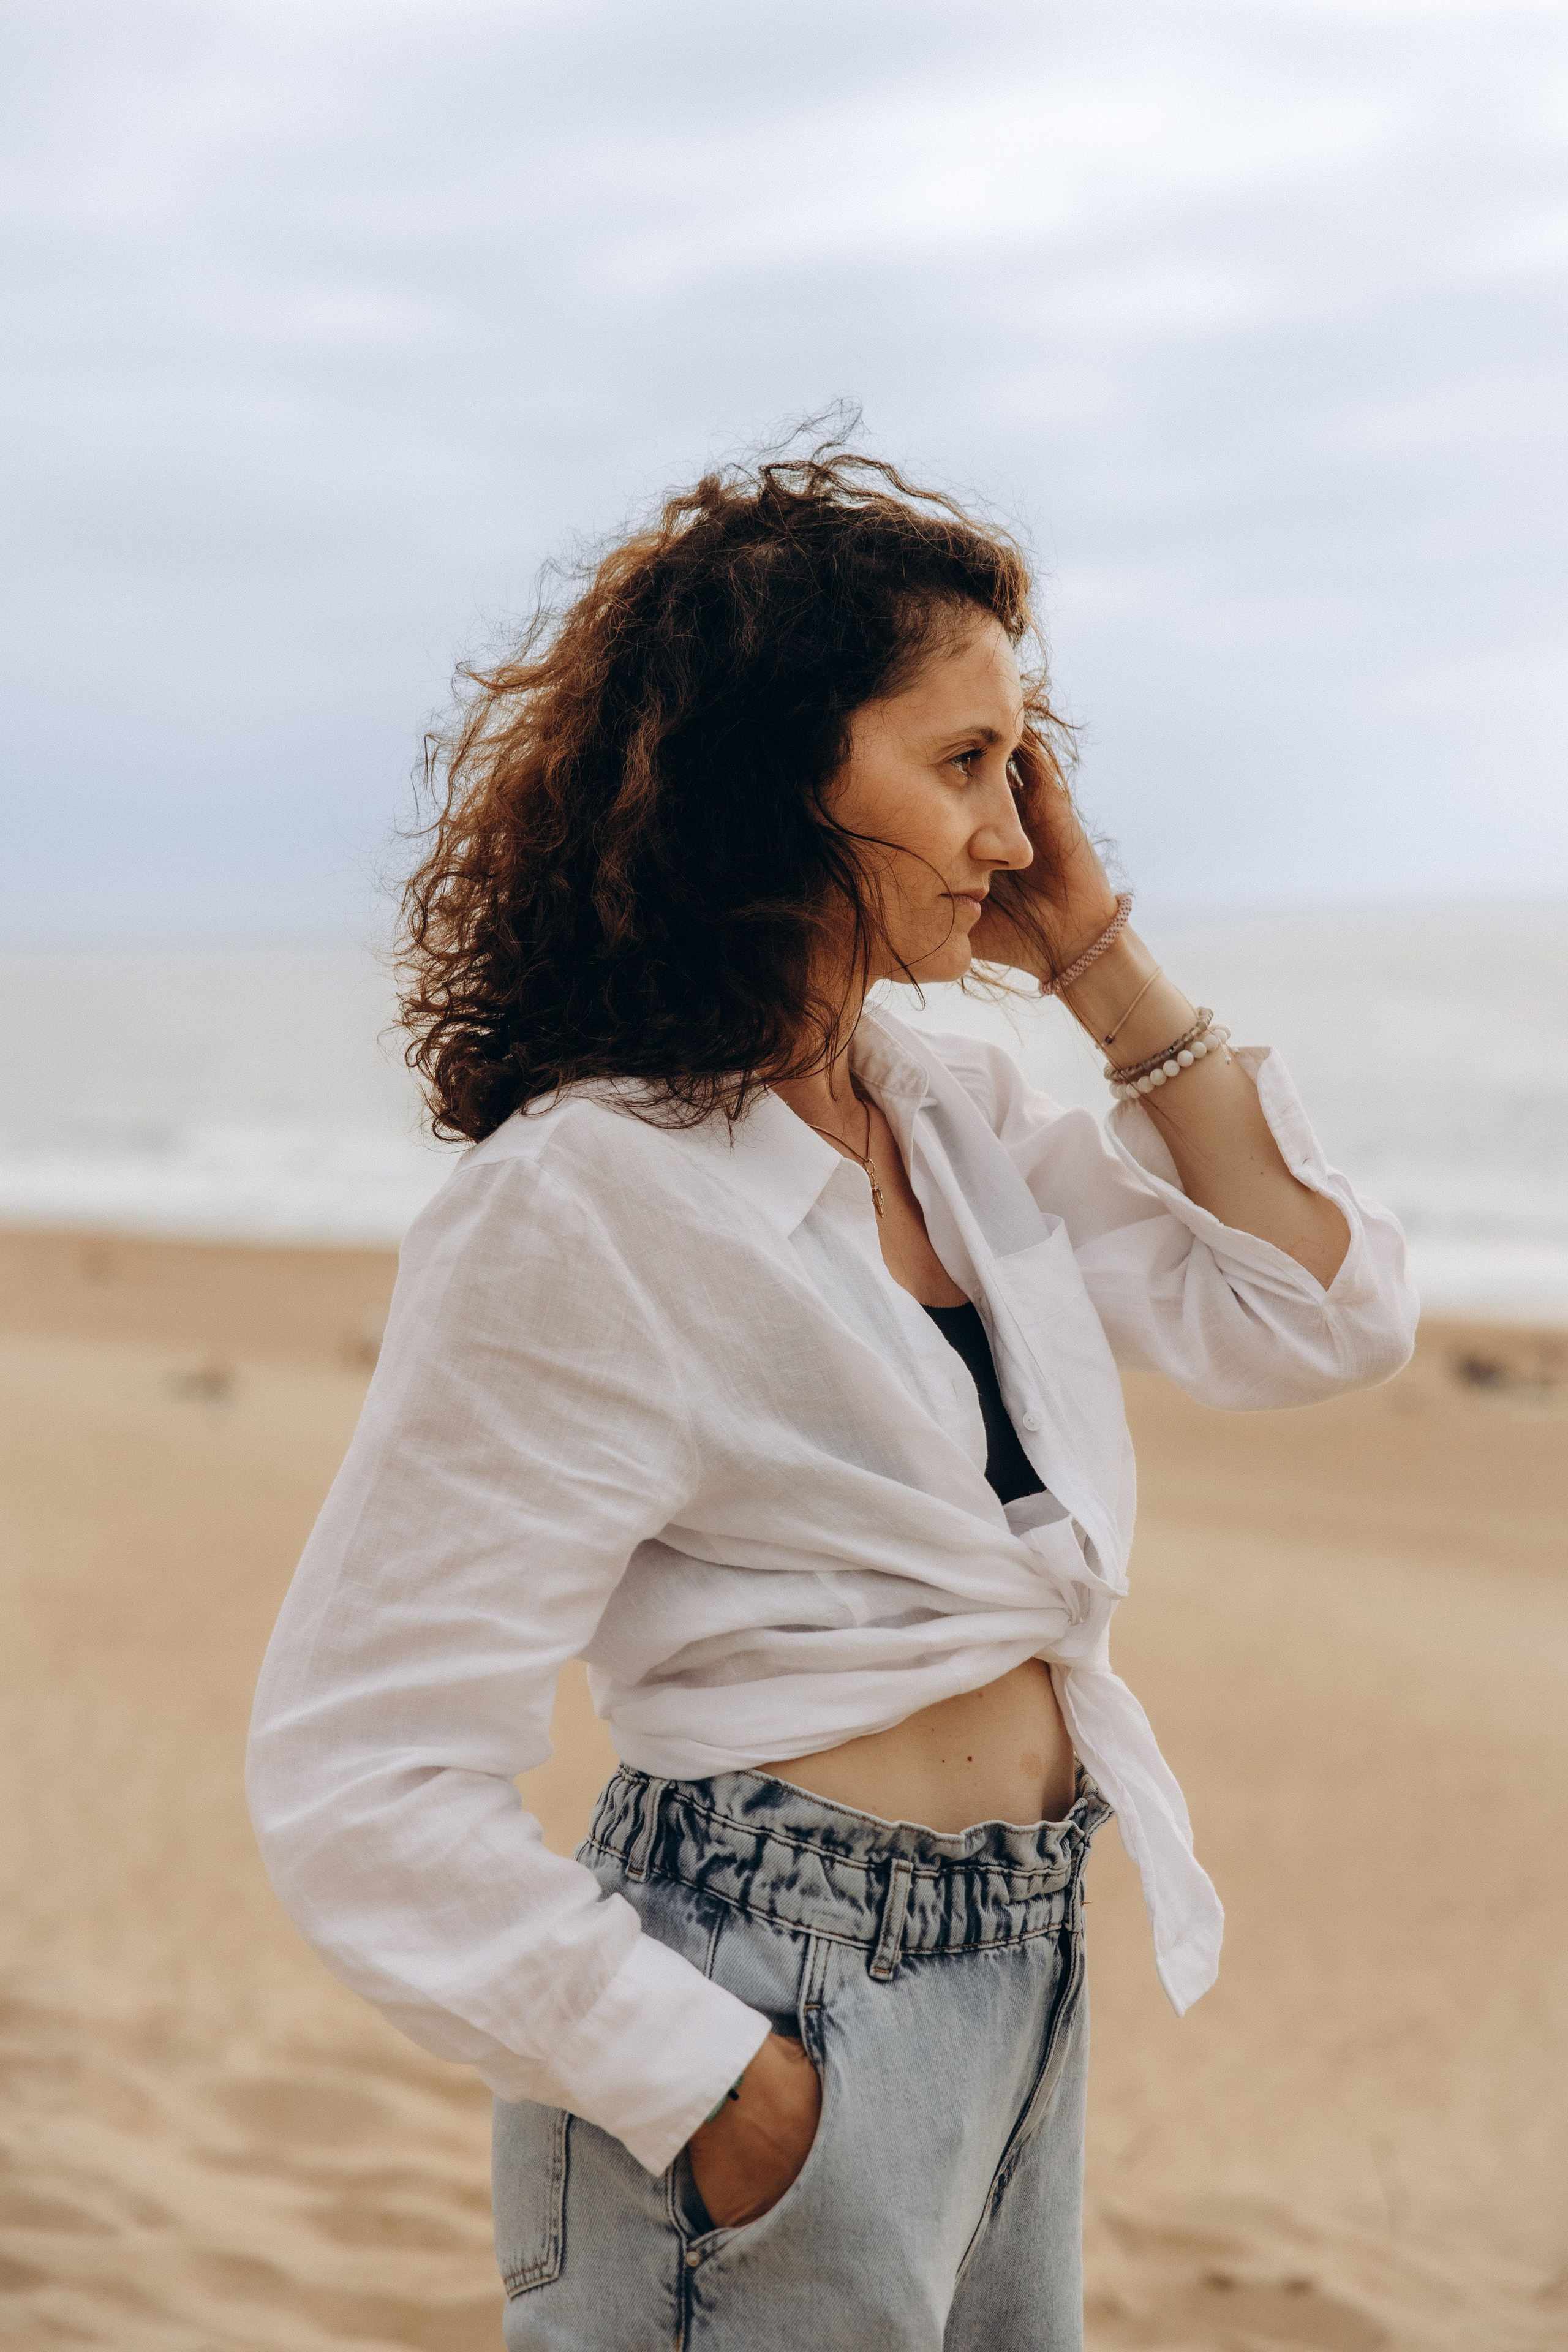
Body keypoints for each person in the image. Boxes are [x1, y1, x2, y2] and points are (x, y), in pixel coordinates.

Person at [246, 445, 1417, 2349]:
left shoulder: (946, 1114)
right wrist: (718, 2089)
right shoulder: (589, 1197)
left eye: (1021, 767)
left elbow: (1317, 1318)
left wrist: (1104, 973)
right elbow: (356, 1775)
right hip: (770, 2010)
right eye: (964, 767)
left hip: (1025, 1966)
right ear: (789, 783)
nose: (1016, 834)